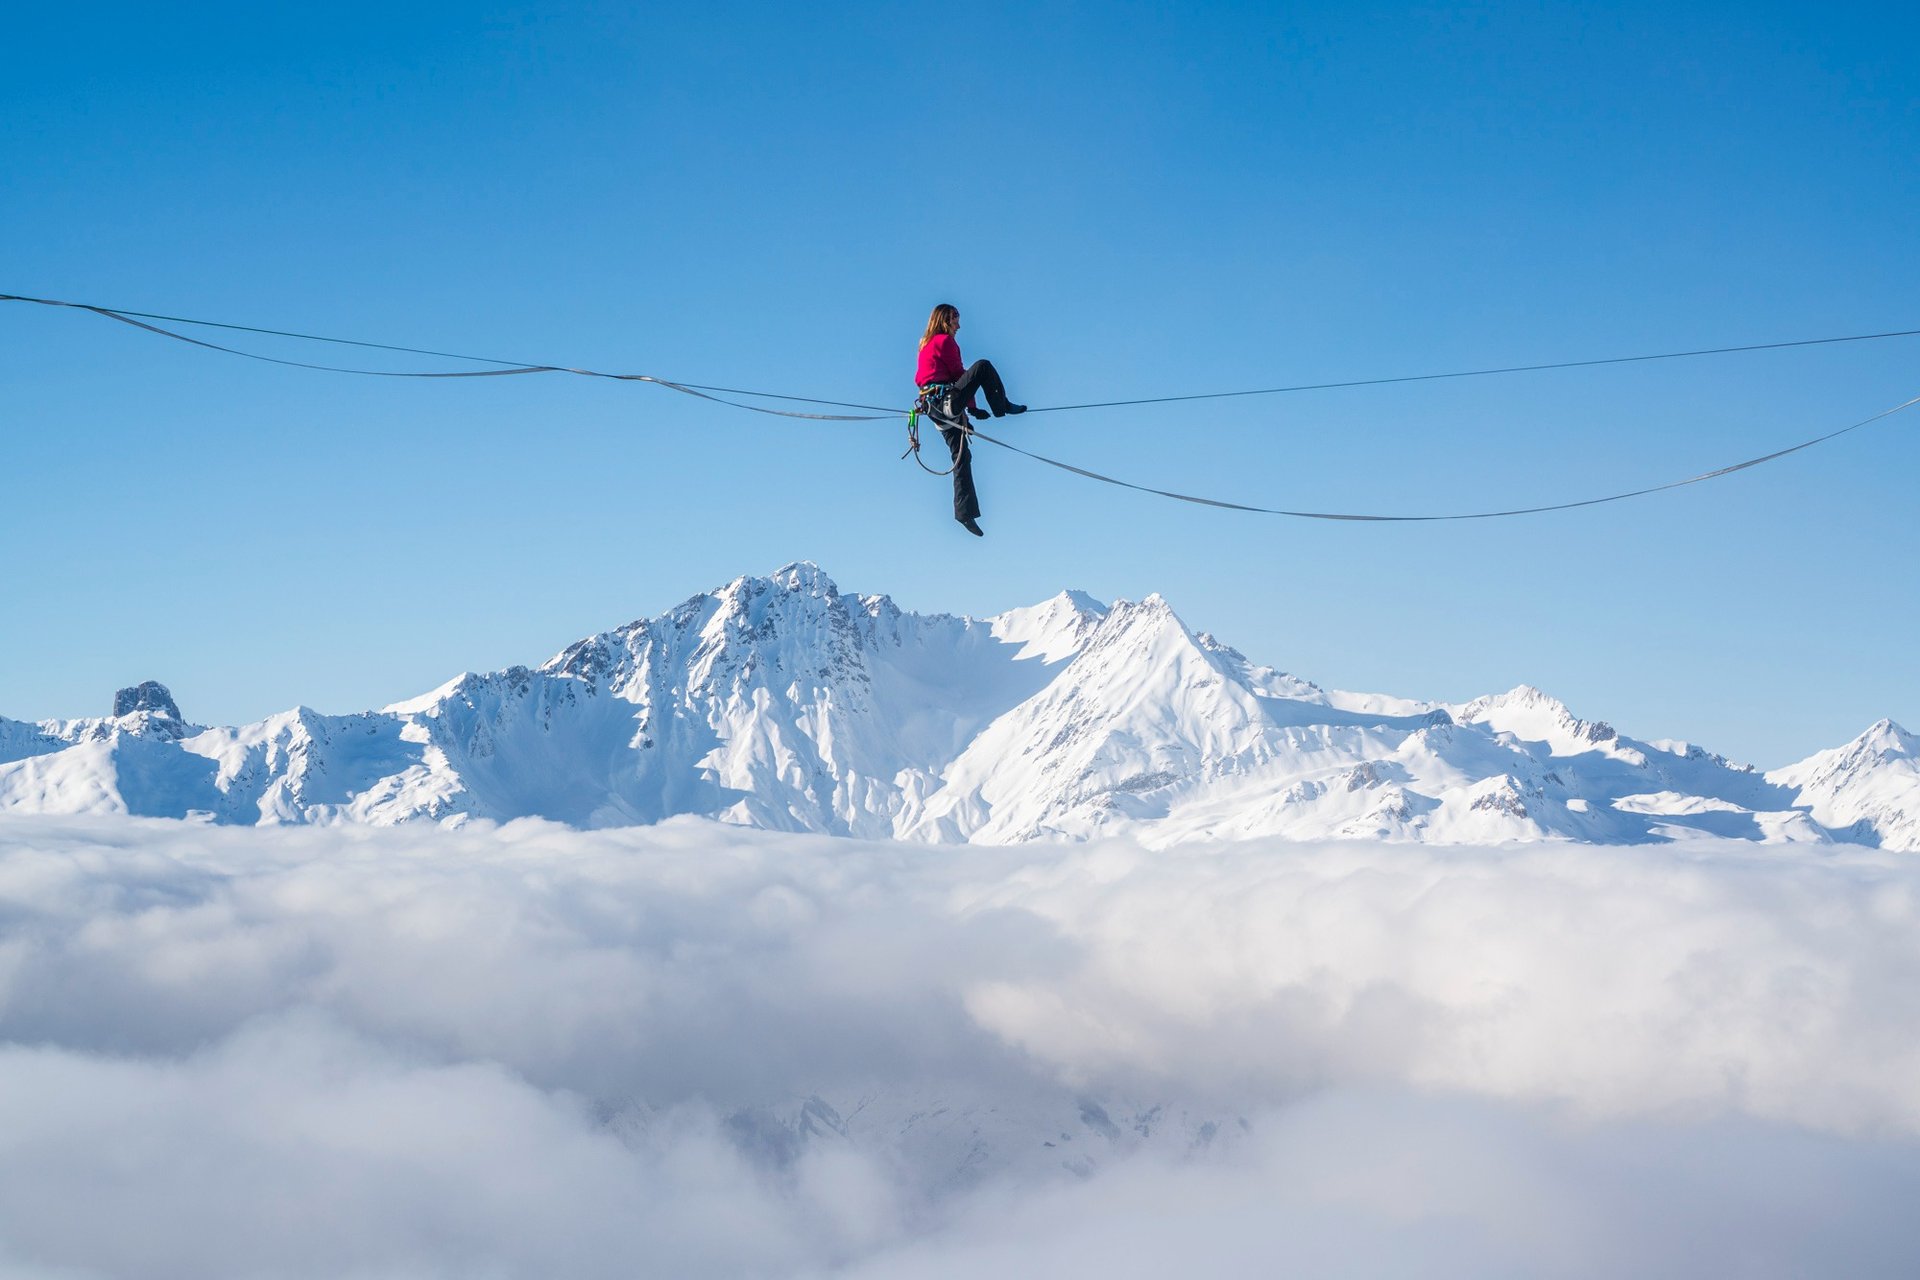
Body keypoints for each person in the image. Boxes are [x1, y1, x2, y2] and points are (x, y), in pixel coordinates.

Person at [915, 303, 1025, 536]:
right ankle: (1002, 405)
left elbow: (935, 380)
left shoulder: (924, 346)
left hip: (936, 410)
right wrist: (973, 408)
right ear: (946, 320)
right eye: (956, 320)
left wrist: (967, 410)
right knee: (983, 366)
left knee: (962, 457)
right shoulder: (944, 342)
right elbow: (959, 376)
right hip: (944, 403)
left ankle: (964, 514)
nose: (959, 325)